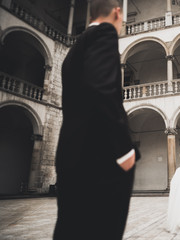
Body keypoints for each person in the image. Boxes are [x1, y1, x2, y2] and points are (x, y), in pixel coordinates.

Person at [54, 0, 140, 239]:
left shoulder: (75, 49)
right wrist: (124, 150)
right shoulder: (104, 34)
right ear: (117, 12)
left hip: (70, 157)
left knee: (71, 229)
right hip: (99, 161)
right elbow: (101, 88)